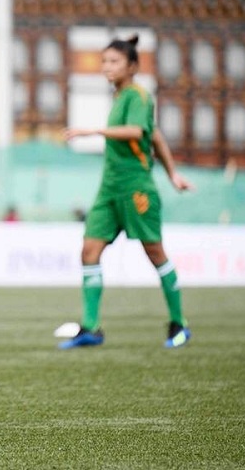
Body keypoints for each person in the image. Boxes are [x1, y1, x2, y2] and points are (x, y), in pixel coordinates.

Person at [61, 34, 194, 350]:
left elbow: (137, 132)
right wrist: (173, 174)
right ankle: (91, 328)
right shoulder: (121, 97)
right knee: (89, 251)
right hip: (109, 189)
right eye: (104, 61)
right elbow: (156, 137)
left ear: (132, 66)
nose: (107, 67)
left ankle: (179, 323)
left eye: (114, 61)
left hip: (136, 188)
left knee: (155, 252)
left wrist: (93, 130)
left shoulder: (139, 96)